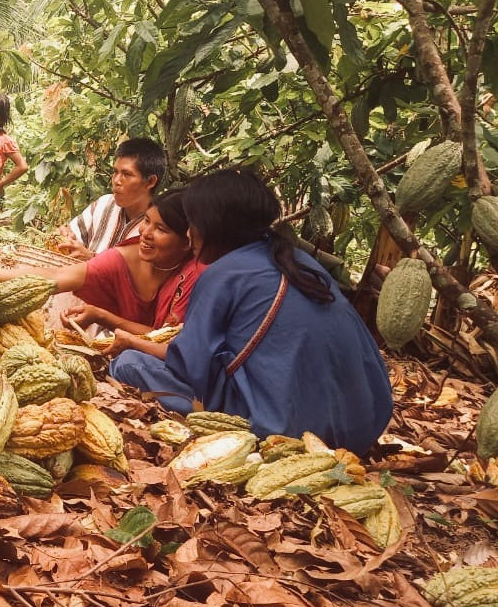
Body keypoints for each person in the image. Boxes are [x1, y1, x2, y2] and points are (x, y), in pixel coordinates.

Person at [107, 168, 393, 455]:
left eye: (192, 223)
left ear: (212, 226)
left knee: (129, 363)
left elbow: (188, 365)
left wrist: (131, 342)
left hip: (288, 431)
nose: (189, 233)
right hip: (364, 425)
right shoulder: (300, 260)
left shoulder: (223, 274)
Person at [0, 190, 202, 336]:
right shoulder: (120, 260)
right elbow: (55, 277)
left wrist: (102, 317)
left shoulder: (197, 274)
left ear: (188, 241)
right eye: (146, 221)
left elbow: (166, 341)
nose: (145, 233)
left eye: (161, 229)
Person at [53, 138, 165, 259]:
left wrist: (91, 260)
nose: (116, 181)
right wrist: (65, 236)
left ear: (150, 182)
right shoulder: (104, 204)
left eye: (127, 174)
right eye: (115, 172)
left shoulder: (159, 227)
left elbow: (140, 271)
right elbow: (72, 235)